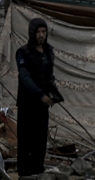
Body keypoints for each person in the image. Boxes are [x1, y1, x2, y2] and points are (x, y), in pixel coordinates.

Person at [16, 18, 61, 176]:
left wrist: (53, 94)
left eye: (44, 32)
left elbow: (49, 76)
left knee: (40, 138)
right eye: (38, 32)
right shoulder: (23, 52)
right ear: (32, 33)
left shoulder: (48, 51)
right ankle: (24, 172)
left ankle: (38, 168)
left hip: (42, 104)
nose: (41, 35)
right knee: (26, 138)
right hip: (27, 103)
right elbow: (25, 78)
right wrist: (40, 95)